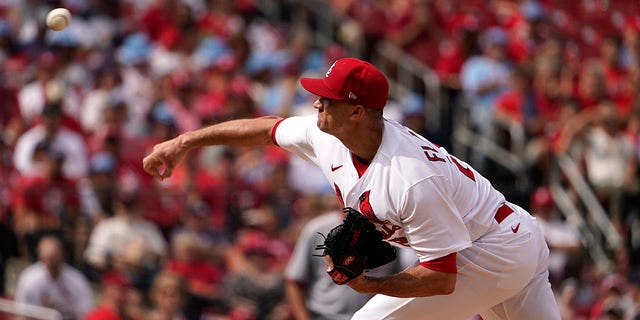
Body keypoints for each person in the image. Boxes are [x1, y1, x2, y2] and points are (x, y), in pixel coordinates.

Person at [143, 57, 561, 319]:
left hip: (490, 252)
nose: (317, 103)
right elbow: (266, 129)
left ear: (358, 111)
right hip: (505, 238)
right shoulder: (330, 134)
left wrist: (369, 285)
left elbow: (441, 278)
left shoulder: (411, 177)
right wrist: (185, 141)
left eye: (328, 98)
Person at [14, 235, 94, 320]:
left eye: (54, 257)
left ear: (63, 255)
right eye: (47, 258)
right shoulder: (29, 278)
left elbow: (86, 312)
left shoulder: (76, 279)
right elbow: (21, 313)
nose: (51, 263)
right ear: (40, 256)